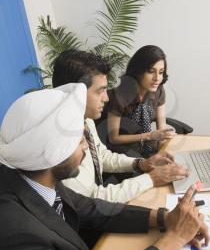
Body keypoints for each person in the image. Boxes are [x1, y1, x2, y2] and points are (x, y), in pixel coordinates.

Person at [0, 83, 209, 250]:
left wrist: (164, 218)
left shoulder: (36, 177)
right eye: (78, 141)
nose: (86, 148)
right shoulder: (13, 230)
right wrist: (176, 238)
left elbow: (91, 208)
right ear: (52, 153)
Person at [52, 49, 189, 204]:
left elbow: (102, 156)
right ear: (74, 93)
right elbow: (90, 200)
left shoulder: (86, 121)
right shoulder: (60, 145)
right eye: (100, 91)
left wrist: (139, 163)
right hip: (89, 215)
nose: (106, 97)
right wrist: (151, 179)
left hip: (103, 195)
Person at [107, 45, 176, 158]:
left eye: (161, 72)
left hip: (148, 148)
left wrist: (165, 139)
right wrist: (149, 136)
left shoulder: (158, 90)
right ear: (138, 71)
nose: (157, 78)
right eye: (151, 71)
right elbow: (114, 138)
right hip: (123, 152)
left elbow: (161, 125)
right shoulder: (120, 95)